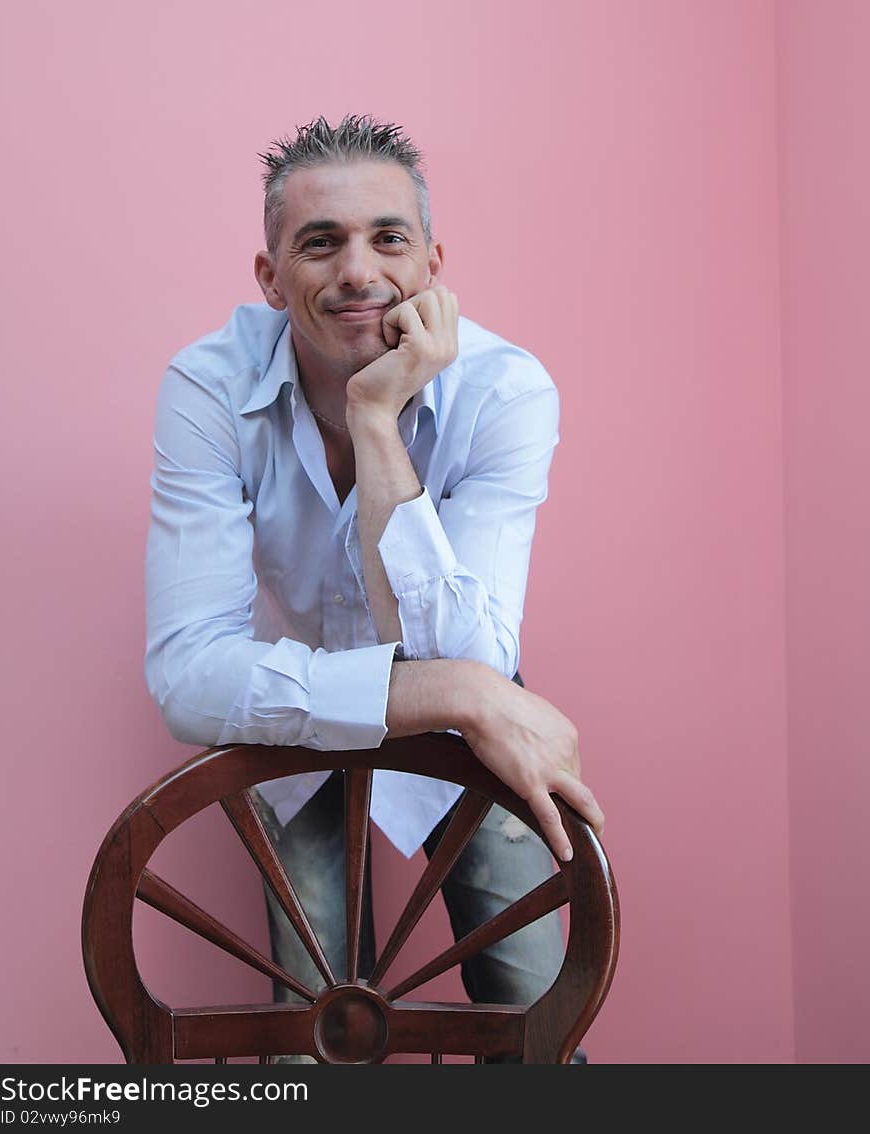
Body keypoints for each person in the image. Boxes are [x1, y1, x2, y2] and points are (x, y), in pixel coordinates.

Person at [144, 113, 603, 1061]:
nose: (358, 272)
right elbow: (190, 677)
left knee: (534, 1010)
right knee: (317, 1029)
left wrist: (376, 416)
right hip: (295, 707)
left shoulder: (506, 391)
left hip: (468, 714)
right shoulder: (206, 387)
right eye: (321, 243)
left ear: (433, 263)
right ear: (269, 279)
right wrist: (459, 691)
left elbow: (469, 656)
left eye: (387, 238)